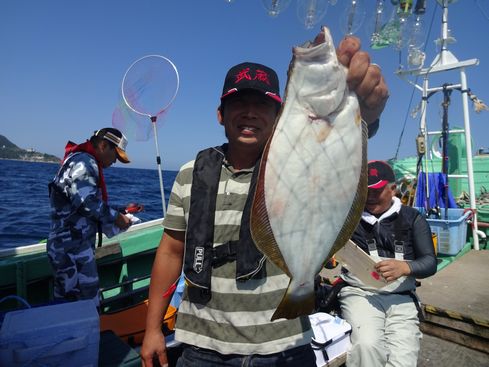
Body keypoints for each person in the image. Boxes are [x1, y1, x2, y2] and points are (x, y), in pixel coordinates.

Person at [141, 34, 389, 367]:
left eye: (262, 105)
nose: (249, 113)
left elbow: (333, 154)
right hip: (201, 348)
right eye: (238, 103)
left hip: (284, 347)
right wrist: (152, 329)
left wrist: (363, 117)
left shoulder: (297, 163)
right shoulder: (190, 173)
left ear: (280, 113)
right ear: (220, 113)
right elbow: (171, 250)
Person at [338, 160, 437, 367]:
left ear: (393, 189)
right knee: (366, 346)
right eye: (366, 191)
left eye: (377, 190)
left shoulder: (413, 219)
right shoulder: (348, 218)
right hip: (360, 293)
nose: (370, 197)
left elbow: (430, 263)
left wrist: (406, 267)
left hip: (401, 297)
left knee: (404, 357)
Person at [47, 127, 132, 307]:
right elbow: (87, 203)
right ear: (103, 145)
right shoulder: (84, 163)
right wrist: (117, 218)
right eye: (115, 155)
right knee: (81, 305)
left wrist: (122, 210)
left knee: (76, 302)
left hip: (74, 246)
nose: (115, 161)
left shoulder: (81, 160)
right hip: (71, 249)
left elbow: (83, 203)